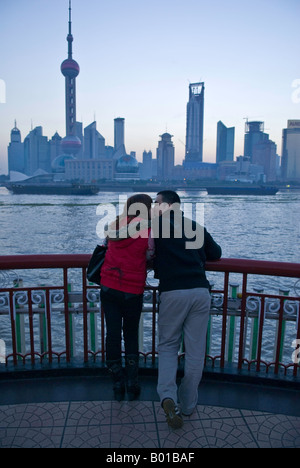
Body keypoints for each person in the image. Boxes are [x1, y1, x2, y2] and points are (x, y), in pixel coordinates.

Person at [152, 190, 222, 429]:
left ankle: (167, 397)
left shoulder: (156, 227)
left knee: (169, 345)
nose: (153, 206)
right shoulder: (194, 226)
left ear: (171, 205)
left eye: (157, 202)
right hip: (200, 292)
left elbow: (144, 253)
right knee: (195, 351)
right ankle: (189, 404)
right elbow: (217, 253)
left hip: (173, 292)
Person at [100, 194, 153, 401]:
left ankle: (116, 381)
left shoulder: (115, 226)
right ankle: (132, 382)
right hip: (133, 289)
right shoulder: (149, 230)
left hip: (109, 285)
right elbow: (150, 256)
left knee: (112, 333)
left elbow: (105, 247)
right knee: (130, 334)